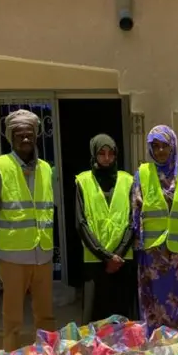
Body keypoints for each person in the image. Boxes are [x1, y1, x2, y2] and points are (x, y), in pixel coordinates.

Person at [0, 109, 57, 352]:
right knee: (12, 317)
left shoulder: (46, 168)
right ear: (10, 139)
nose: (25, 139)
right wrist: (1, 238)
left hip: (42, 254)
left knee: (45, 315)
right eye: (19, 136)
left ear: (36, 136)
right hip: (13, 256)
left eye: (29, 135)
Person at [132, 125, 178, 333]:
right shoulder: (142, 174)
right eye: (156, 146)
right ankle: (156, 347)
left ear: (173, 146)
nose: (161, 151)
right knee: (155, 302)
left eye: (165, 146)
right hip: (152, 255)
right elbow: (135, 213)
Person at [76, 134, 137, 322]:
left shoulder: (128, 180)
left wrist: (117, 255)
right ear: (95, 155)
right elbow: (81, 223)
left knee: (122, 316)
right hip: (95, 260)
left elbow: (132, 220)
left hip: (122, 259)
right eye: (102, 153)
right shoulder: (83, 181)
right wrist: (105, 256)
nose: (107, 158)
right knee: (95, 316)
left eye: (111, 153)